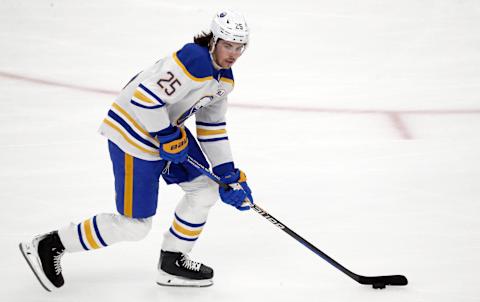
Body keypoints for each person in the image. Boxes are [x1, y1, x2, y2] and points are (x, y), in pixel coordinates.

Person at [19, 9, 254, 291]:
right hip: (133, 135)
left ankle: (172, 260)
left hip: (165, 131)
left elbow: (212, 125)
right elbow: (144, 99)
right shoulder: (193, 61)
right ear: (214, 40)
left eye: (240, 47)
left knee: (206, 189)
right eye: (228, 45)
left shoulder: (224, 80)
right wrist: (166, 135)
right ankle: (50, 244)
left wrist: (227, 172)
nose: (234, 53)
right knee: (134, 225)